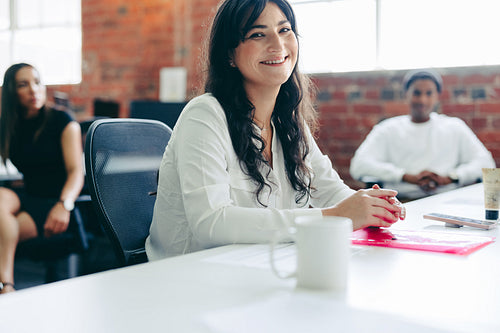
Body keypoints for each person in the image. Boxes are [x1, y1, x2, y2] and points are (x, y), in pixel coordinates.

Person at [145, 0, 405, 260]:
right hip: (188, 279)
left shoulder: (287, 122)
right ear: (229, 55)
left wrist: (371, 206)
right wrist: (336, 216)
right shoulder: (204, 115)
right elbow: (210, 223)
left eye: (285, 30)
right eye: (258, 34)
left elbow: (331, 192)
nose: (278, 45)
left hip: (257, 268)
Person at [0, 63, 84, 293]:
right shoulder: (8, 126)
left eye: (37, 82)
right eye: (23, 85)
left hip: (54, 202)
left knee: (4, 231)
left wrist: (64, 205)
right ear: (10, 92)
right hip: (28, 195)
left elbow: (76, 172)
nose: (33, 89)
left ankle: (6, 286)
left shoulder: (62, 121)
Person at [350, 69, 496, 200]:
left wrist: (450, 178)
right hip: (401, 202)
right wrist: (405, 177)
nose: (422, 100)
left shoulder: (454, 127)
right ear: (406, 94)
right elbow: (359, 165)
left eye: (429, 93)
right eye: (417, 93)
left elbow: (485, 163)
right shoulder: (387, 129)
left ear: (437, 96)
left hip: (447, 201)